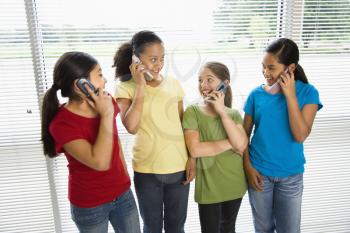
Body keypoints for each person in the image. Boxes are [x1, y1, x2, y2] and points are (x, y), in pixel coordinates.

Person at [41, 51, 141, 233]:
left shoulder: (106, 100)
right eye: (100, 75)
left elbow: (115, 141)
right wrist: (106, 114)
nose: (105, 81)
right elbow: (100, 162)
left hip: (122, 194)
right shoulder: (62, 124)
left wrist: (125, 176)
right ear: (80, 85)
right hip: (89, 205)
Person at [113, 30, 195, 233]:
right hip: (147, 172)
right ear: (136, 60)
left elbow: (184, 125)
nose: (159, 65)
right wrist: (140, 85)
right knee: (152, 227)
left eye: (162, 59)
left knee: (177, 227)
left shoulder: (174, 84)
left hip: (178, 168)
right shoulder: (125, 88)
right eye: (153, 59)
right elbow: (131, 126)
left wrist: (193, 158)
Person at [243, 38, 323, 233]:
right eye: (263, 67)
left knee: (290, 230)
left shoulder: (309, 93)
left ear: (291, 68)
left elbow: (300, 135)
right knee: (263, 230)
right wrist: (247, 166)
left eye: (271, 68)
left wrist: (290, 95)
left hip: (291, 176)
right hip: (259, 172)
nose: (265, 73)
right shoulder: (256, 95)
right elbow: (242, 136)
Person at [182, 62, 248, 233]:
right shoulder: (192, 112)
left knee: (228, 228)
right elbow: (195, 149)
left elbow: (242, 146)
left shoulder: (232, 114)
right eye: (200, 80)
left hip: (234, 183)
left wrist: (222, 112)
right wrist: (231, 143)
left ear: (224, 84)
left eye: (209, 80)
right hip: (209, 186)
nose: (203, 85)